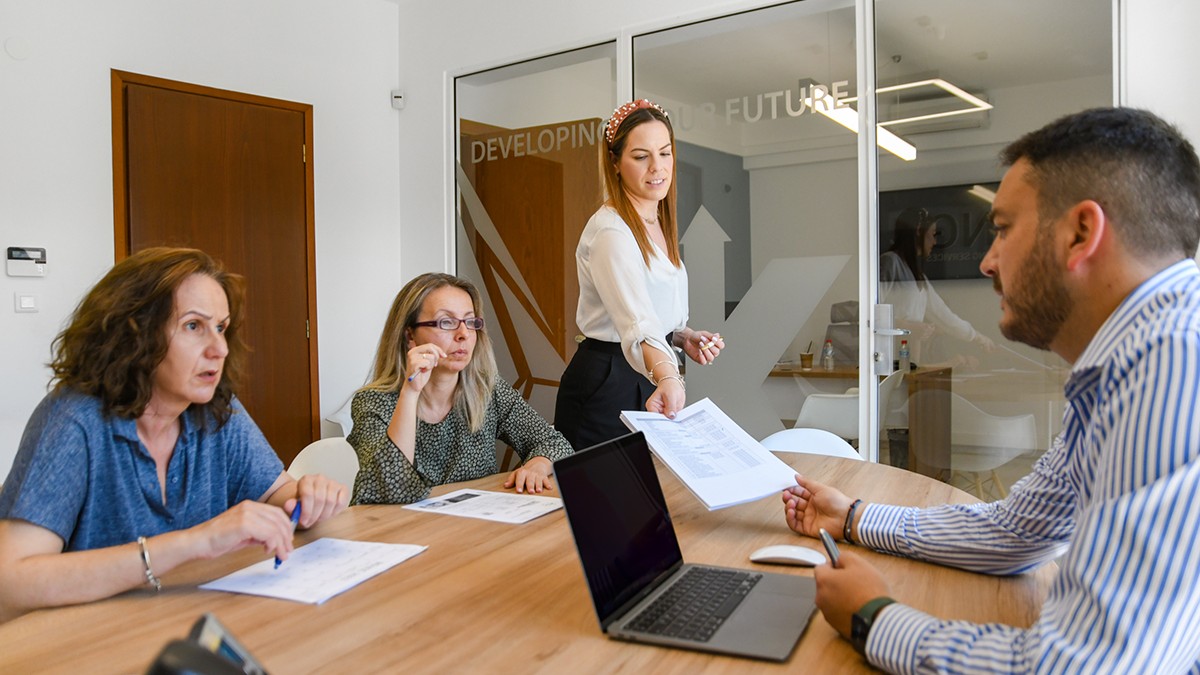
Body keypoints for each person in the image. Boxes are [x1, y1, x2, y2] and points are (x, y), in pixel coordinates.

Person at [783, 107, 1200, 672]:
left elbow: (1073, 669)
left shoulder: (1173, 363)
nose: (986, 260)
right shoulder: (1132, 362)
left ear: (1081, 232)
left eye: (1002, 229)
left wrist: (873, 616)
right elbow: (1016, 532)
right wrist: (852, 516)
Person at [0, 247, 349, 623]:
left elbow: (279, 495)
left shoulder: (218, 412)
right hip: (89, 641)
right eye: (194, 326)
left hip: (183, 625)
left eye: (221, 328)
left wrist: (309, 497)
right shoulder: (73, 419)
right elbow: (12, 581)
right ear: (135, 334)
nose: (219, 349)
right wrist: (196, 542)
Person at [554, 98, 725, 450]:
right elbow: (635, 322)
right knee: (603, 499)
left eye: (665, 153)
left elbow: (651, 312)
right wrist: (668, 374)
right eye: (641, 156)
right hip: (608, 380)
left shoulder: (656, 221)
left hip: (648, 370)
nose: (657, 168)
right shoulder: (611, 233)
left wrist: (680, 336)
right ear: (615, 162)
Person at [348, 273, 573, 505]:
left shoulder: (486, 390)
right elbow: (388, 489)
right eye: (446, 322)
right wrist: (410, 392)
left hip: (469, 528)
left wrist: (536, 466)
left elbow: (553, 443)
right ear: (409, 336)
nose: (463, 334)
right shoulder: (373, 401)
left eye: (470, 322)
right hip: (396, 531)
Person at [880, 206, 995, 367]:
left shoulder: (919, 276)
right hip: (885, 356)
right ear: (919, 231)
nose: (934, 242)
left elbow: (944, 316)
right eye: (933, 235)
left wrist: (977, 337)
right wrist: (909, 327)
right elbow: (870, 315)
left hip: (909, 355)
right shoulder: (890, 262)